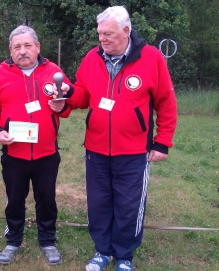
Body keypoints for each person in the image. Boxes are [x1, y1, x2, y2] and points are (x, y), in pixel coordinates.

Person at [53, 6, 177, 271]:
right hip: (96, 150)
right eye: (100, 34)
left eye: (108, 34)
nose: (102, 39)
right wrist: (67, 95)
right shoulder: (92, 58)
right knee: (99, 203)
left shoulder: (151, 58)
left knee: (129, 205)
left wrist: (162, 141)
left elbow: (166, 101)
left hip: (133, 152)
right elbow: (83, 95)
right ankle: (102, 251)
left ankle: (124, 255)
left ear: (126, 30)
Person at [0, 25, 73, 266]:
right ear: (10, 50)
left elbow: (66, 105)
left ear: (37, 47)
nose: (23, 51)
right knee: (14, 199)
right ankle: (13, 240)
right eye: (17, 47)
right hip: (14, 154)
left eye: (27, 45)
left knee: (47, 199)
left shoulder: (53, 71)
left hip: (46, 154)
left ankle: (48, 240)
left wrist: (63, 106)